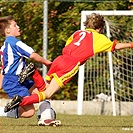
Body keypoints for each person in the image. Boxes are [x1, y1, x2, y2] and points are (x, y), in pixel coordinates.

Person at [5, 13, 133, 123]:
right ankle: (22, 100)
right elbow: (114, 46)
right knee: (47, 93)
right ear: (99, 28)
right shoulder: (98, 37)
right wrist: (130, 44)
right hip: (70, 64)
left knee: (43, 89)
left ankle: (35, 75)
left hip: (60, 59)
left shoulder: (78, 32)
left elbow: (68, 44)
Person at [0, 15, 61, 126]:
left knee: (44, 91)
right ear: (7, 30)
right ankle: (5, 111)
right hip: (14, 82)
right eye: (15, 25)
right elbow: (32, 55)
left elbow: (3, 69)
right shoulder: (15, 43)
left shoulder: (4, 46)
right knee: (29, 112)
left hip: (17, 80)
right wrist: (46, 62)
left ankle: (45, 117)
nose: (18, 27)